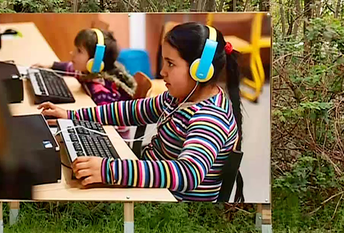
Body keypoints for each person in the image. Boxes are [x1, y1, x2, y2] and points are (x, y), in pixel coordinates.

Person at [38, 22, 243, 202]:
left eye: (171, 64)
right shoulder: (180, 97)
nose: (162, 71)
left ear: (201, 71)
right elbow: (132, 111)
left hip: (171, 203)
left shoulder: (209, 118)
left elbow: (187, 173)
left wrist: (109, 170)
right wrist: (72, 116)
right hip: (154, 187)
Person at [32, 28, 137, 139]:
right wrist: (51, 65)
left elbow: (104, 120)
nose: (72, 53)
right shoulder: (88, 72)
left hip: (117, 141)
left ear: (94, 62)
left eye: (79, 51)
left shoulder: (101, 90)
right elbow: (70, 68)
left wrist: (71, 118)